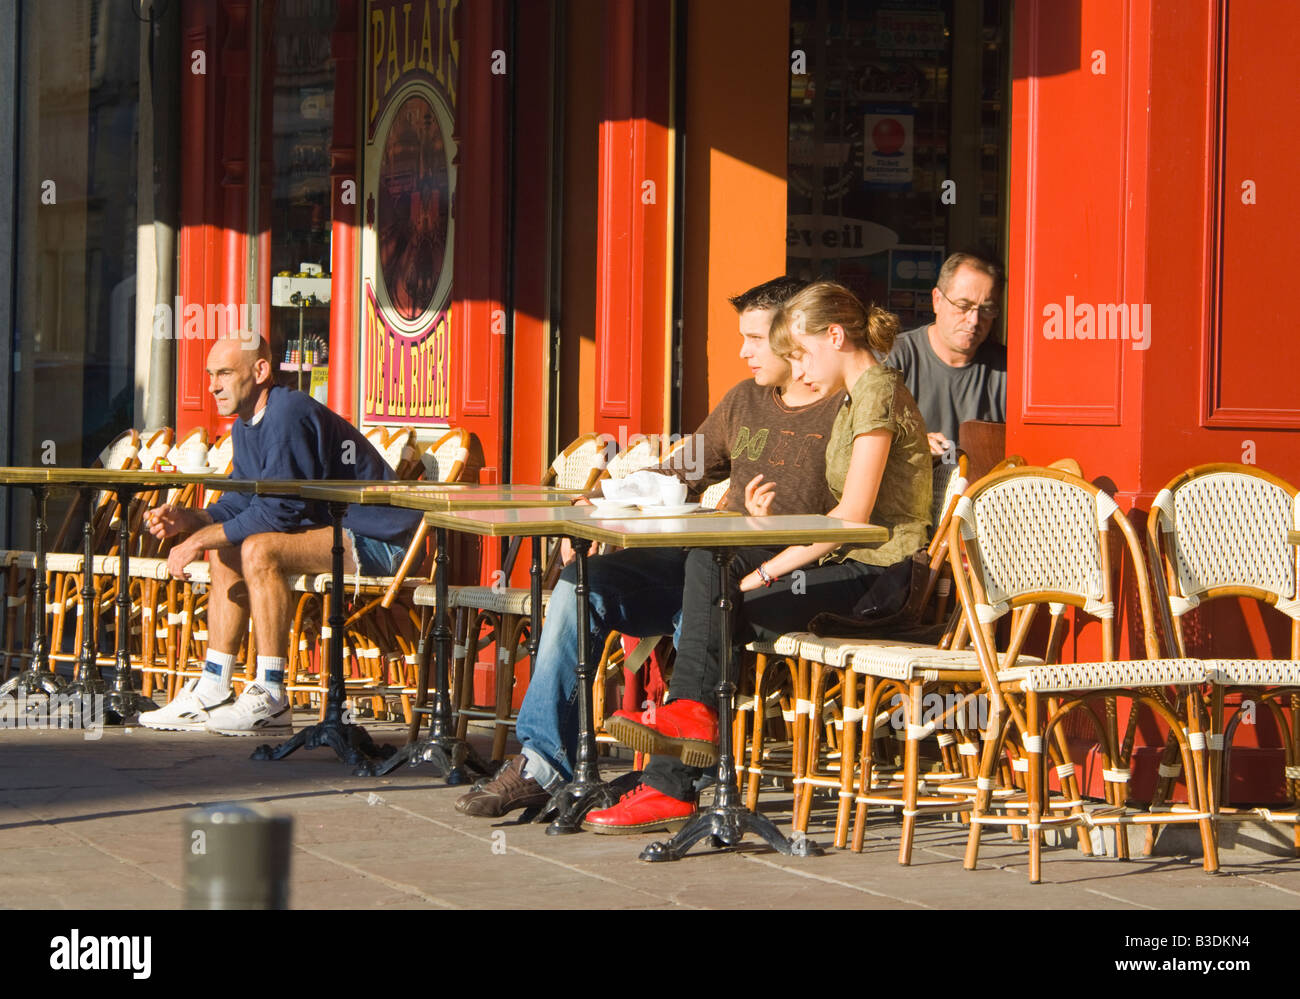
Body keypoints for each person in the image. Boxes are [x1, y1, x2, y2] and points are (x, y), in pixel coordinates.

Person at [453, 275, 846, 819]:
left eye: (755, 339)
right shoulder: (743, 402)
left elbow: (853, 519)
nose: (744, 351)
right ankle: (543, 764)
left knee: (702, 596)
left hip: (772, 579)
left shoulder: (845, 409)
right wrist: (605, 508)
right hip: (707, 562)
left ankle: (674, 777)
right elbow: (677, 473)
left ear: (790, 337)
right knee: (581, 583)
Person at [592, 280, 932, 832]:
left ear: (835, 336)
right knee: (715, 572)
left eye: (800, 354)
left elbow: (853, 519)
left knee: (720, 595)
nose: (797, 372)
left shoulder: (878, 393)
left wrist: (768, 570)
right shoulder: (857, 395)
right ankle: (683, 750)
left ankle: (675, 771)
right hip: (845, 565)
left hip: (881, 576)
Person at [138, 335, 423, 735]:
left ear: (260, 371)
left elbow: (278, 513)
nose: (212, 386)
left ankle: (271, 694)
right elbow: (242, 504)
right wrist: (192, 519)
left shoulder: (287, 413)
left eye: (223, 373)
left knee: (257, 548)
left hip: (383, 540)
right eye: (209, 375)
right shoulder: (245, 425)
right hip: (336, 533)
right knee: (227, 548)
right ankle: (213, 687)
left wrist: (199, 540)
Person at [886, 252, 1007, 455]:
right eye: (963, 306)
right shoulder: (893, 361)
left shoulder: (1009, 370)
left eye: (986, 309)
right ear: (937, 300)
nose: (974, 320)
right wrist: (909, 444)